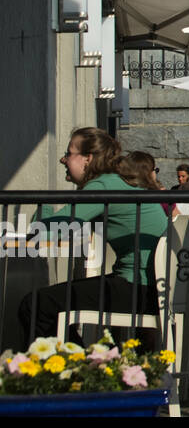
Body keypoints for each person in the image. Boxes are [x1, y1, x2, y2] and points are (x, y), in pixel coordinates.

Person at [17, 129, 169, 340]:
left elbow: (41, 234)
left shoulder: (103, 185)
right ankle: (81, 364)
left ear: (87, 158)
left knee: (35, 305)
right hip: (154, 287)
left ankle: (74, 367)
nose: (63, 159)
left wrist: (46, 205)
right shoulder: (116, 181)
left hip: (140, 289)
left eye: (69, 153)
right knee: (46, 304)